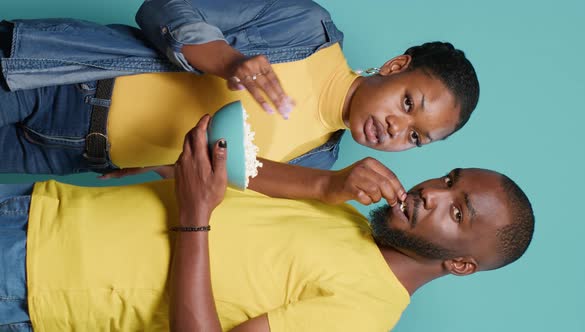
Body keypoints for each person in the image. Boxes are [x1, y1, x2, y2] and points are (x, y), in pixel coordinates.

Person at [0, 116, 534, 331]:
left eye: (457, 211)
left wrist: (193, 219)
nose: (432, 193)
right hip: (39, 206)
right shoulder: (347, 214)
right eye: (446, 178)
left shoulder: (367, 312)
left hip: (31, 279)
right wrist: (330, 183)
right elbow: (229, 169)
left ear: (461, 264)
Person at [0, 0, 479, 205]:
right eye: (409, 103)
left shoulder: (319, 161)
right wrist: (229, 61)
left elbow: (220, 179)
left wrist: (161, 166)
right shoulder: (305, 27)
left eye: (416, 137)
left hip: (72, 153)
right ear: (395, 67)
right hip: (61, 78)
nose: (397, 128)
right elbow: (163, 8)